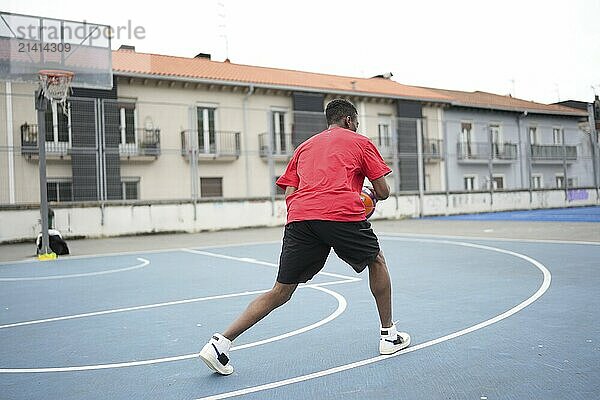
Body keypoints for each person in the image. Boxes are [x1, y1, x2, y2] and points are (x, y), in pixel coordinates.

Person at [199, 99, 410, 375]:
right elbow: (382, 192)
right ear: (348, 120)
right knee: (377, 261)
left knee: (281, 291)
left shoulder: (304, 147)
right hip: (340, 212)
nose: (357, 127)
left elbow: (289, 193)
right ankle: (388, 335)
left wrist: (305, 214)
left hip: (300, 218)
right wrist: (366, 198)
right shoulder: (360, 142)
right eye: (356, 122)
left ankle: (219, 344)